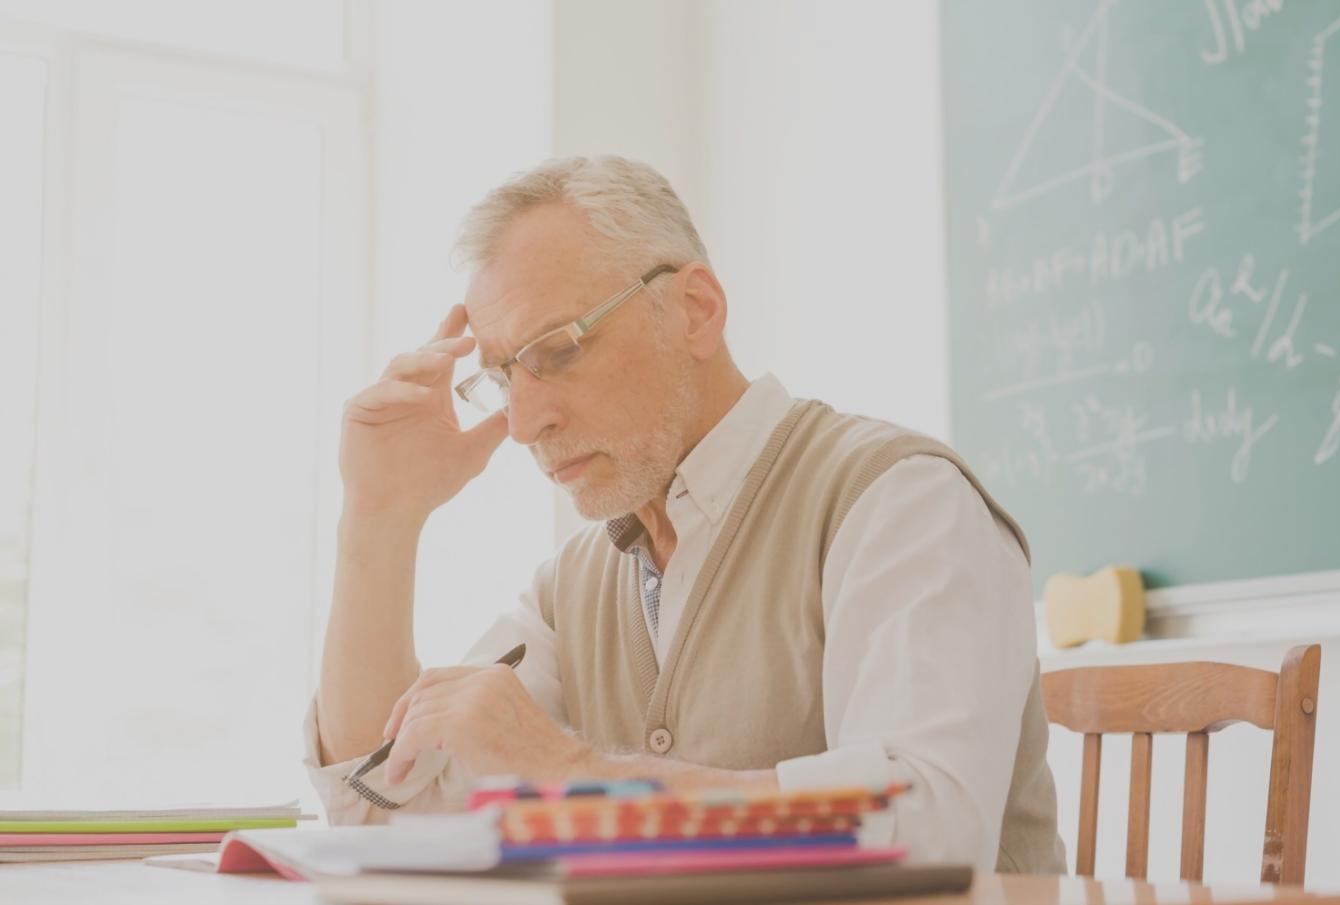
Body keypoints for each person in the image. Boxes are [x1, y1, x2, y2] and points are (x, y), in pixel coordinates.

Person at [303, 155, 1065, 872]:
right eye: (503, 377)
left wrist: (571, 773)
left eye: (555, 349)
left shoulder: (899, 500)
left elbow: (928, 825)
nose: (524, 420)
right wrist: (377, 519)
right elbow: (383, 814)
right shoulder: (573, 587)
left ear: (695, 310)